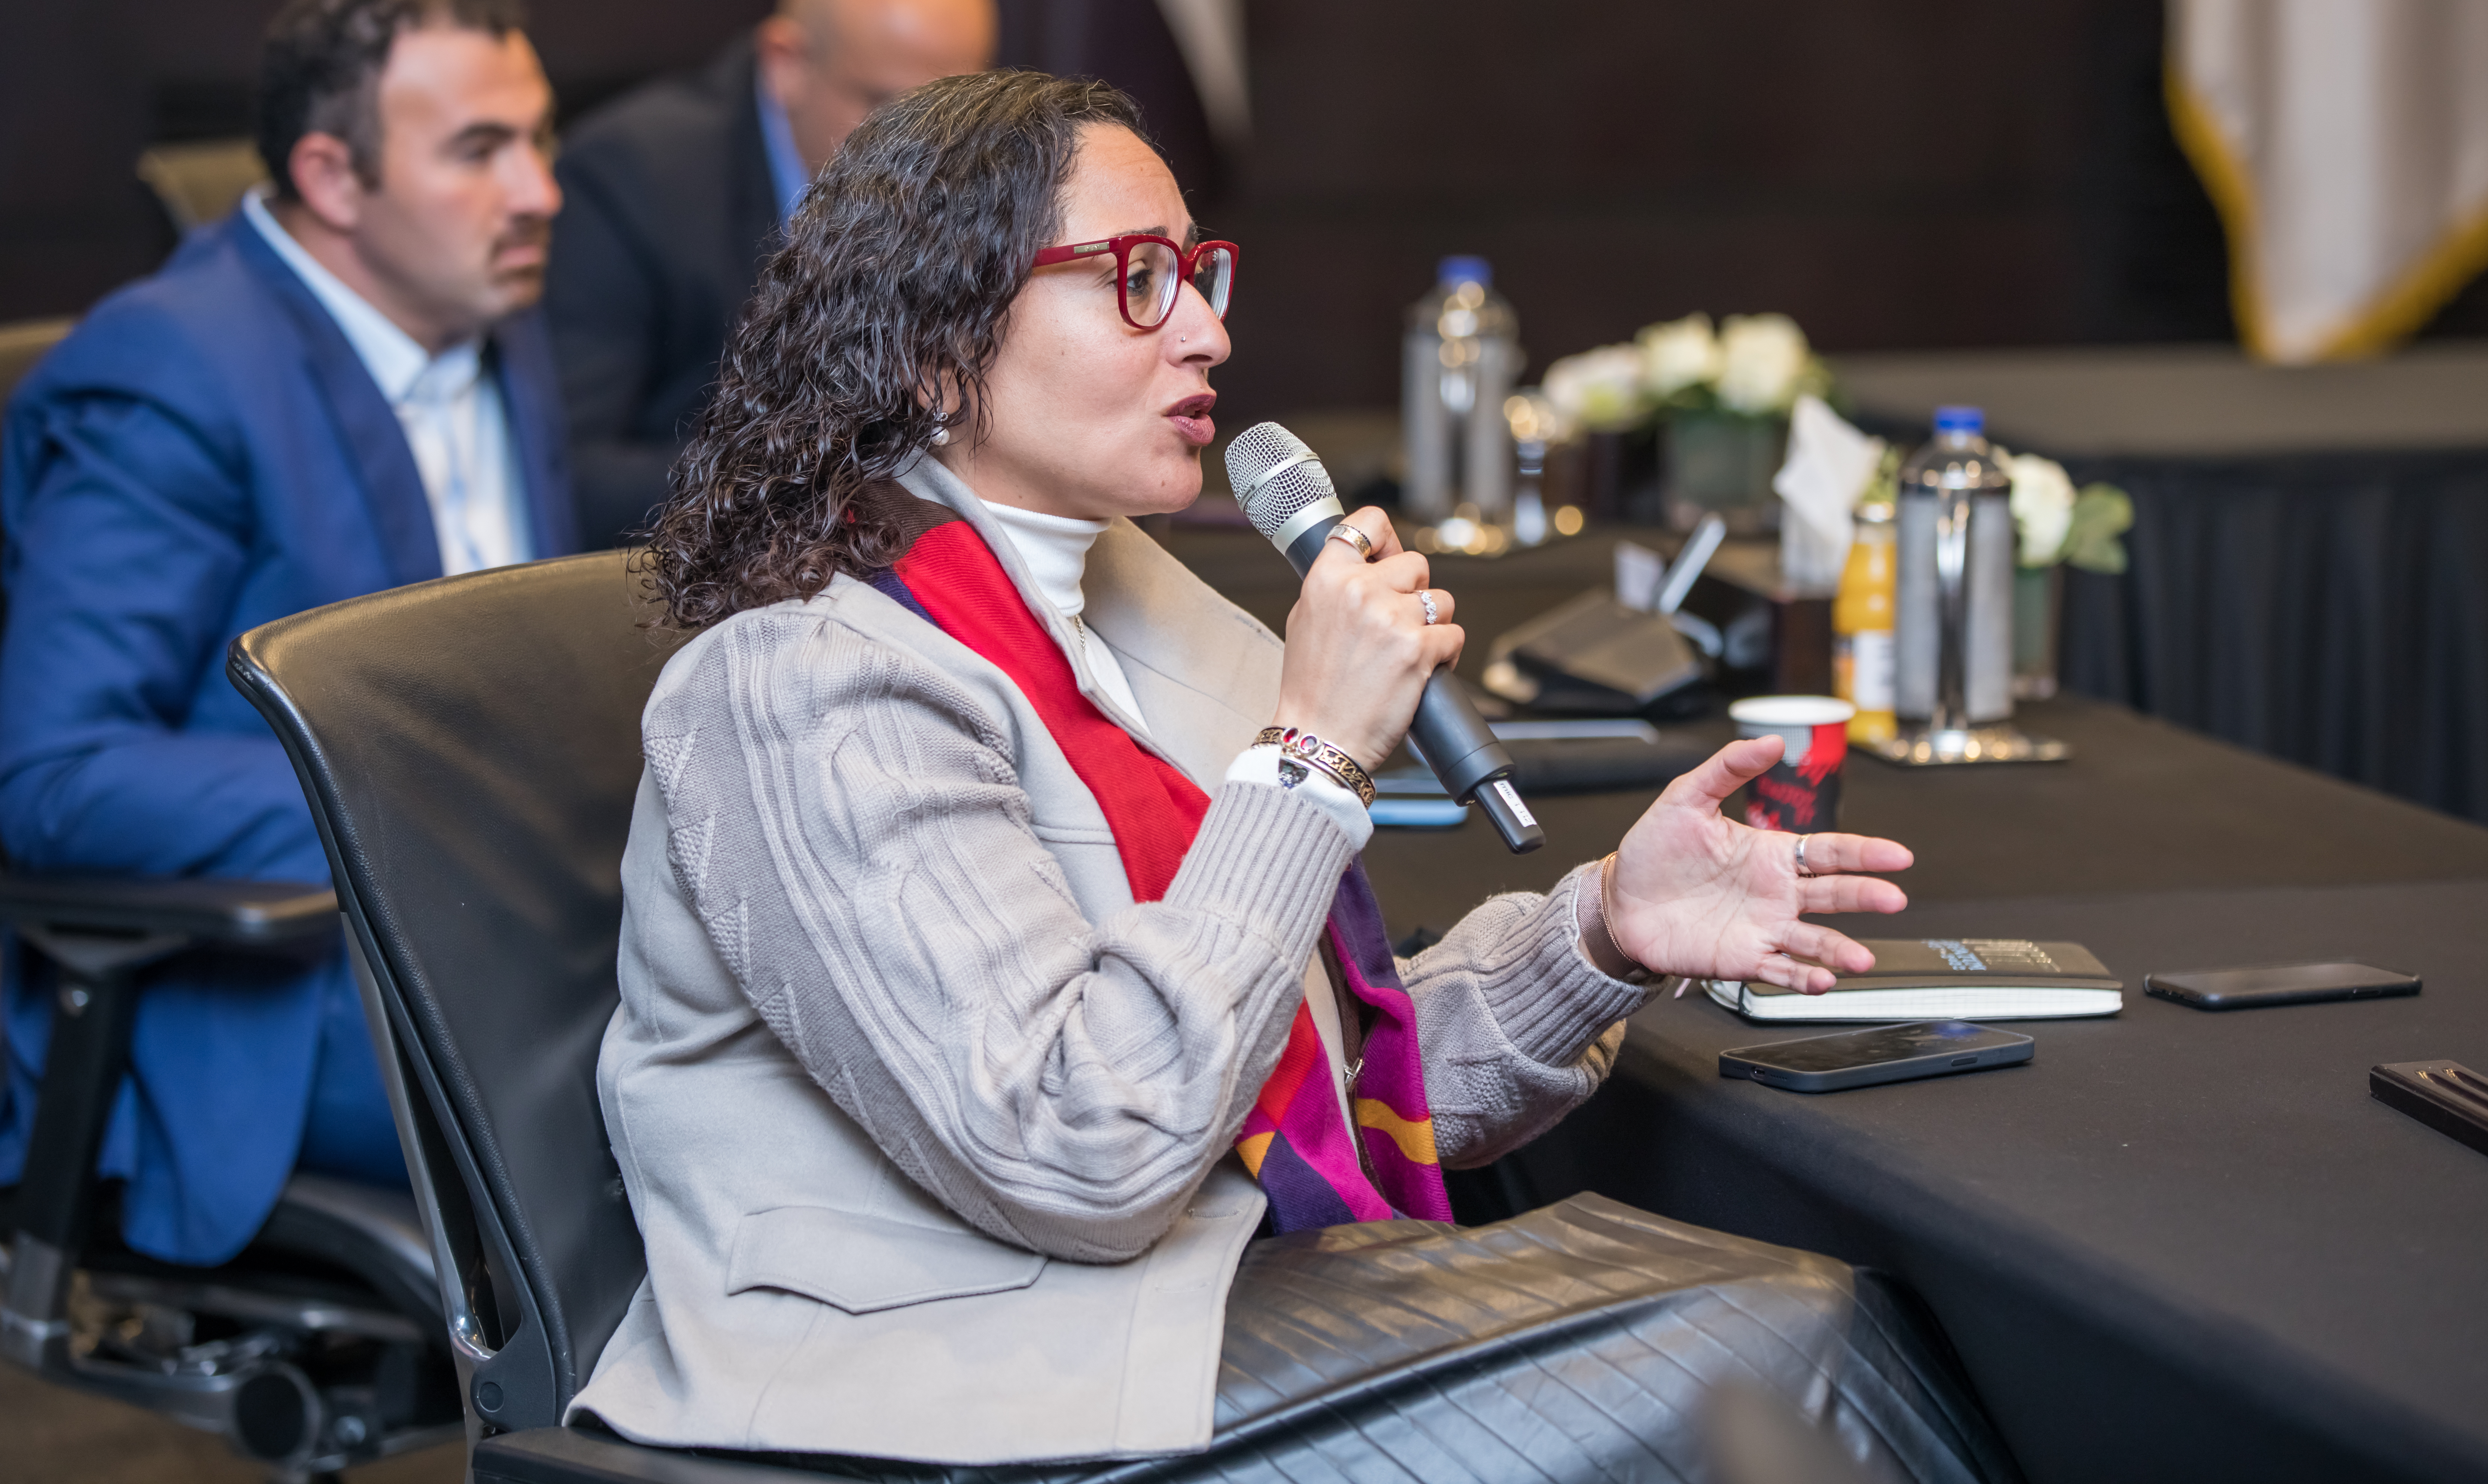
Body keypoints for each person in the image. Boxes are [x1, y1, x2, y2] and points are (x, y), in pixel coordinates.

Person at [564, 71, 2008, 1480]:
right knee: (1787, 1344)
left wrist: (1604, 927)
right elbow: (1087, 1149)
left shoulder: (1144, 618)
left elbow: (1289, 1082)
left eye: (1199, 272)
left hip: (1186, 1290)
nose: (1204, 331)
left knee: (1808, 1297)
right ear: (939, 349)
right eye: (1136, 277)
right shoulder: (809, 686)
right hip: (945, 1385)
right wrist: (1309, 754)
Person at [0, 0, 578, 1266]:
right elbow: (55, 771)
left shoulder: (487, 306)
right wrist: (432, 809)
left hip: (499, 949)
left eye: (541, 141)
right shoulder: (171, 371)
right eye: (480, 148)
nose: (540, 190)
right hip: (269, 1004)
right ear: (330, 177)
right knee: (727, 1097)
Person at [545, 0, 997, 548]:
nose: (926, 151)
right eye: (886, 107)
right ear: (787, 64)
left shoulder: (988, 177)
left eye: (955, 113)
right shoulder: (634, 181)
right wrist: (837, 479)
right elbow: (568, 476)